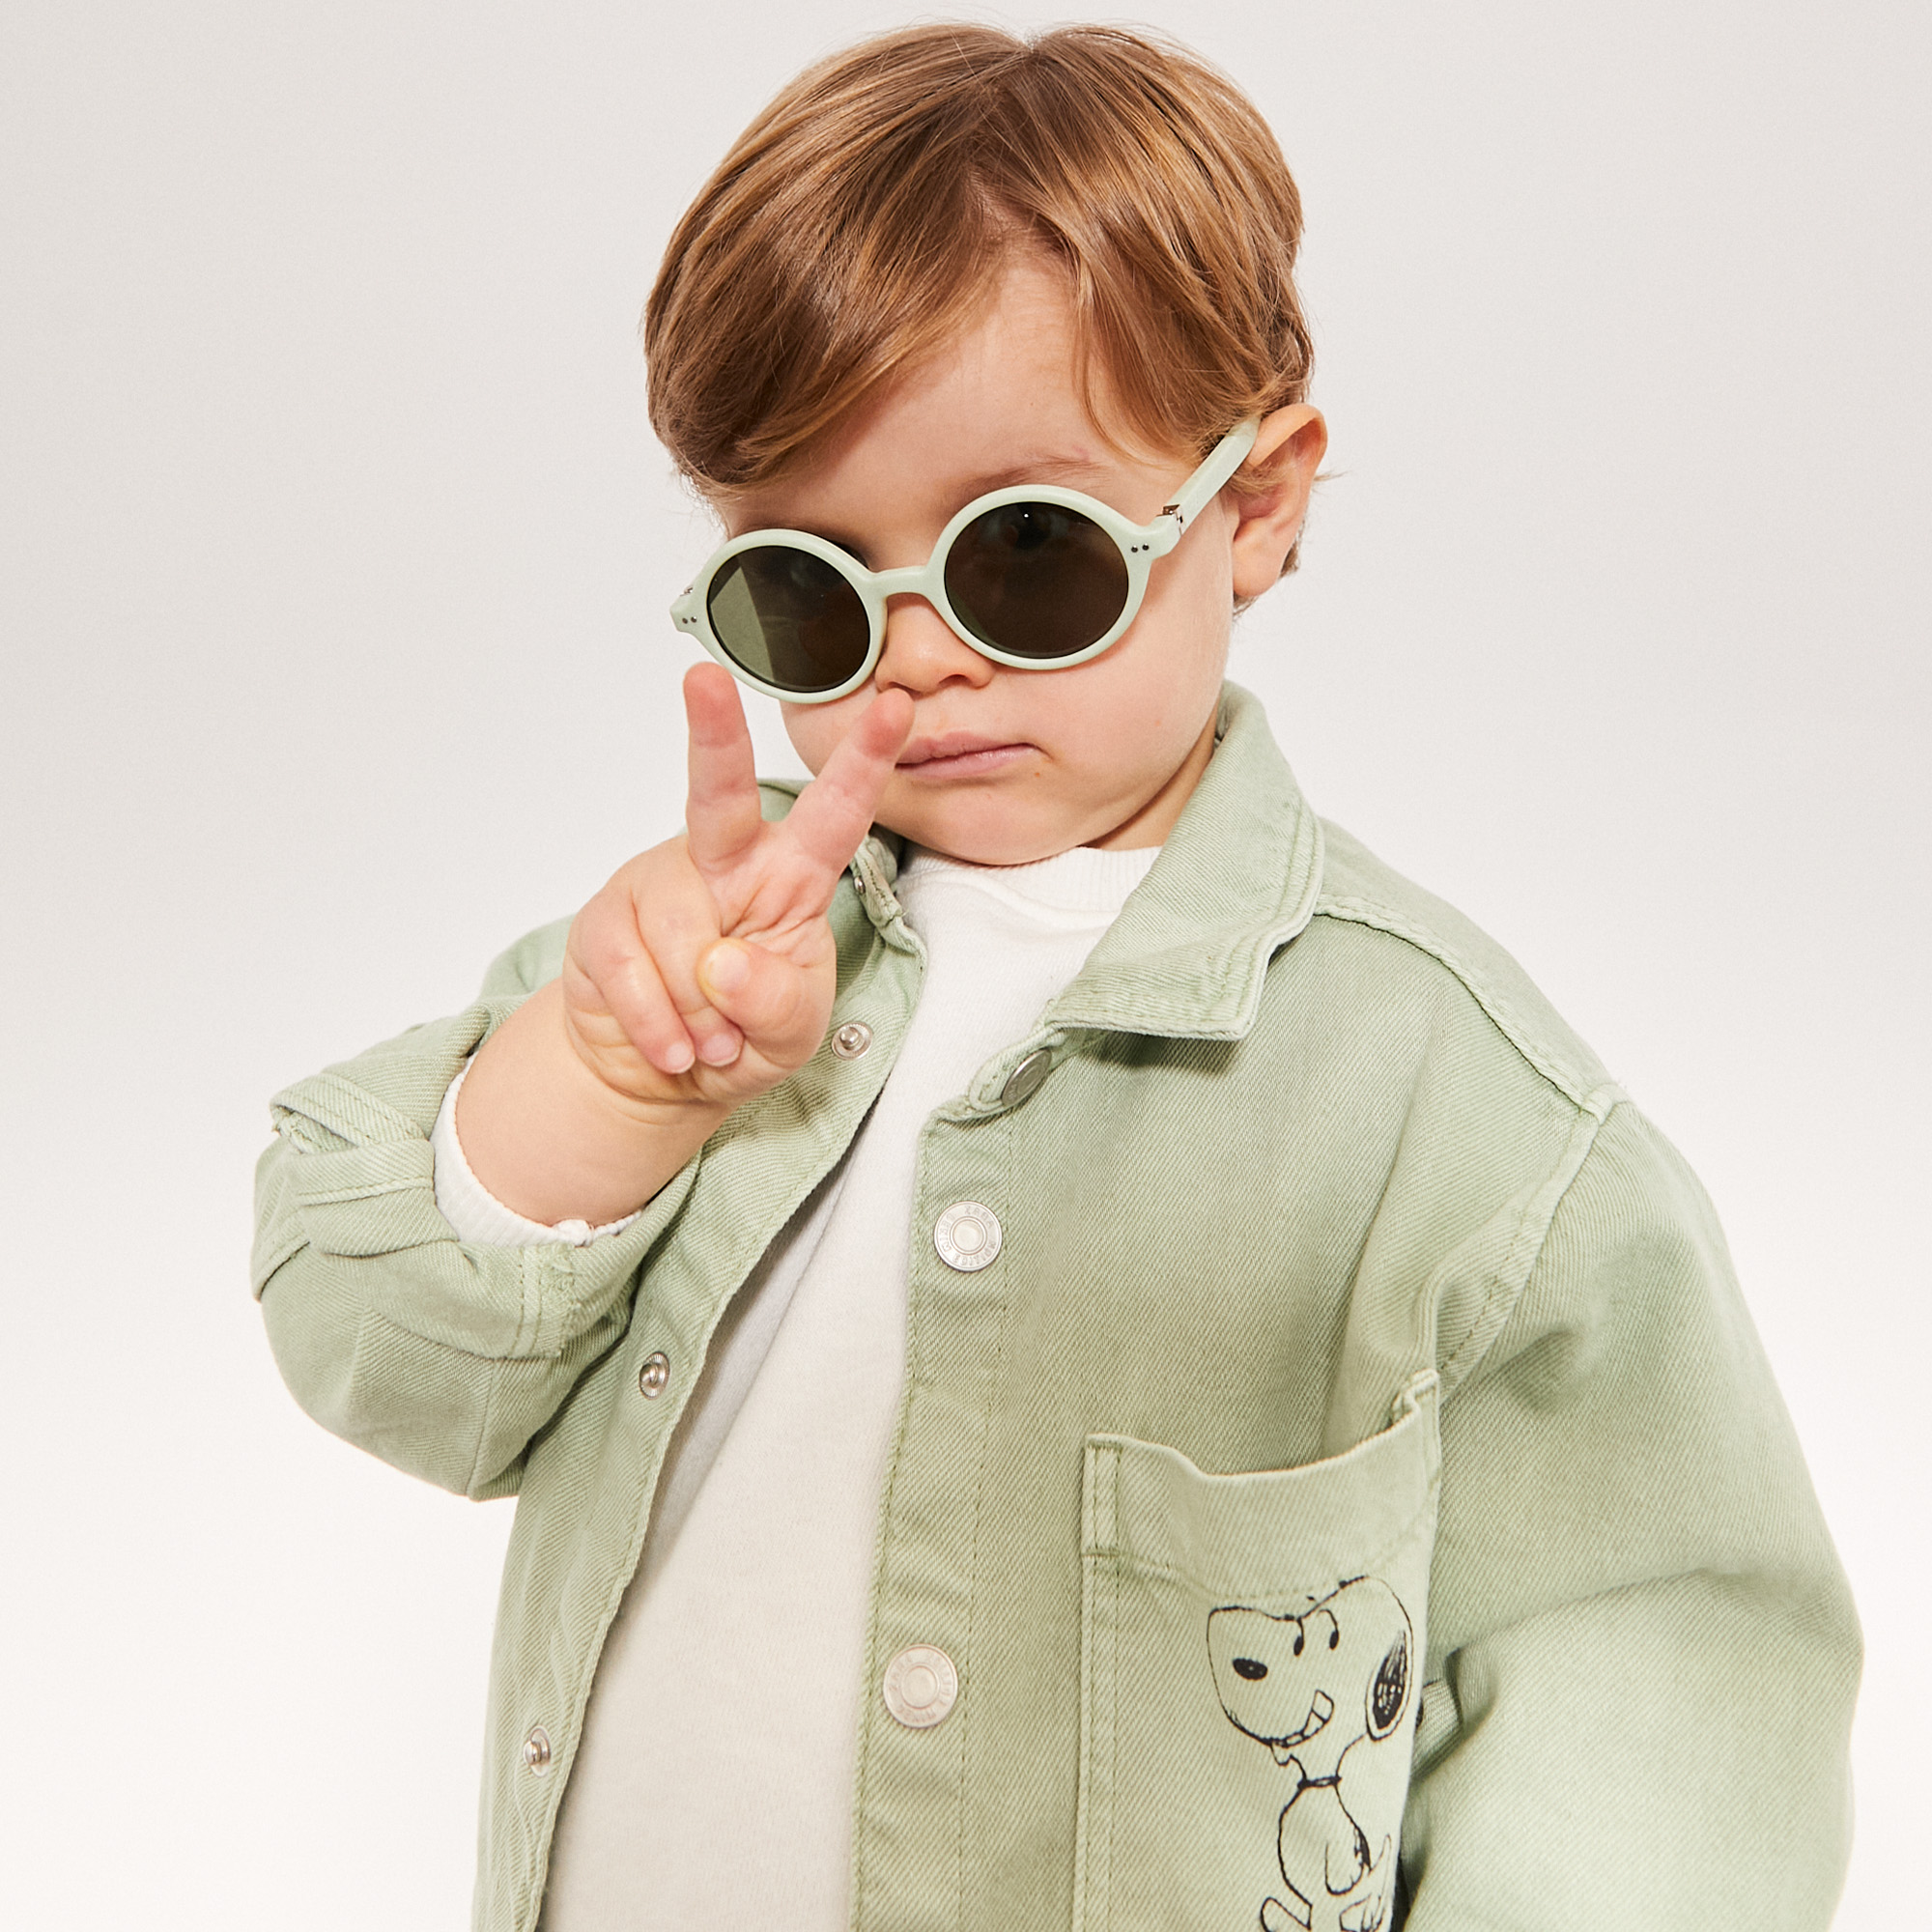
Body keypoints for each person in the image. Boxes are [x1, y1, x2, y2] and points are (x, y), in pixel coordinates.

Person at [251, 23, 1859, 1932]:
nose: (916, 656)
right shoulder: (686, 973)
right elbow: (379, 1359)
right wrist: (603, 1086)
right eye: (811, 586)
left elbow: (1662, 1689)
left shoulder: (1452, 1111)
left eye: (1025, 557)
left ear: (1255, 502)